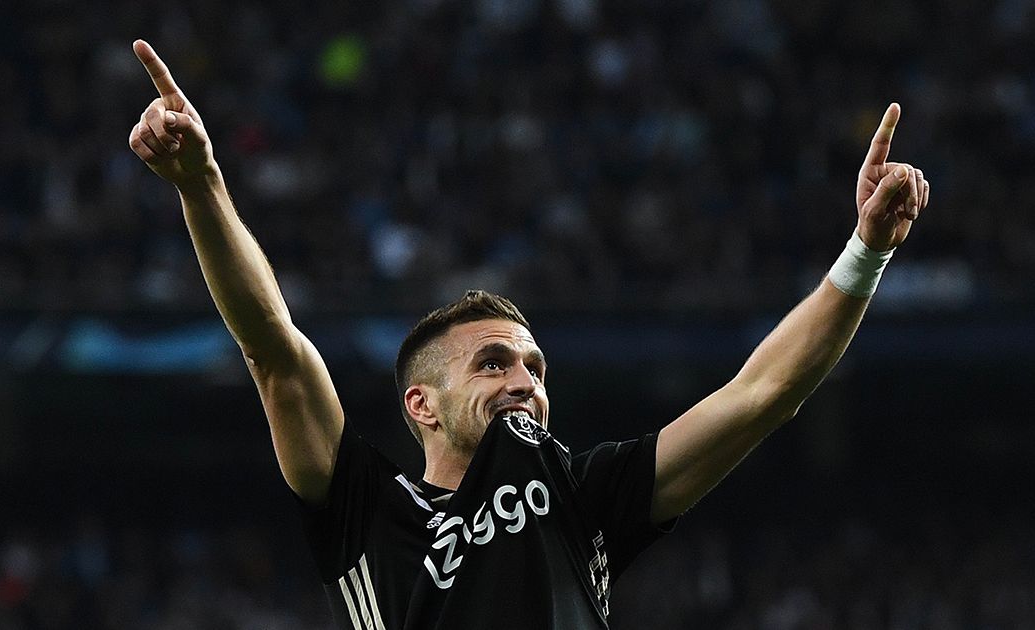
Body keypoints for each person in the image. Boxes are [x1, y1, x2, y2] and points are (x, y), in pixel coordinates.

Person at [127, 37, 929, 629]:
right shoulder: (367, 509)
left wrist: (866, 252)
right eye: (492, 364)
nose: (526, 381)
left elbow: (764, 393)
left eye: (535, 365)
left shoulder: (583, 497)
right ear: (423, 405)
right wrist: (200, 182)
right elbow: (272, 346)